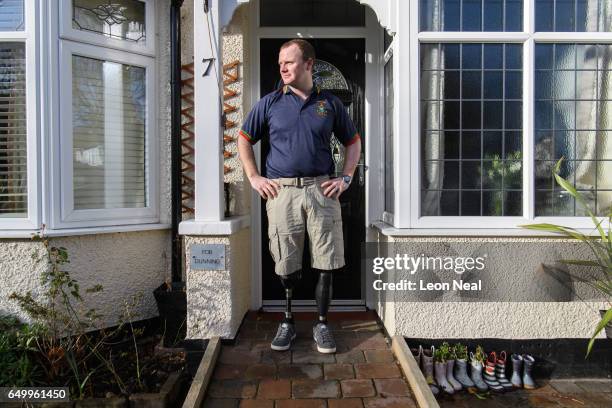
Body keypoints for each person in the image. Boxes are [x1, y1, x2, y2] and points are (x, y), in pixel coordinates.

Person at [237, 39, 361, 353]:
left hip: (321, 190)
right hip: (282, 192)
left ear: (308, 64)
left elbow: (353, 142)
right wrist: (254, 177)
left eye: (289, 62)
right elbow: (243, 139)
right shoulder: (269, 103)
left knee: (326, 260)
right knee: (285, 260)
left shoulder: (329, 104)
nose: (283, 67)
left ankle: (322, 324)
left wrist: (345, 178)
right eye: (281, 63)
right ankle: (288, 320)